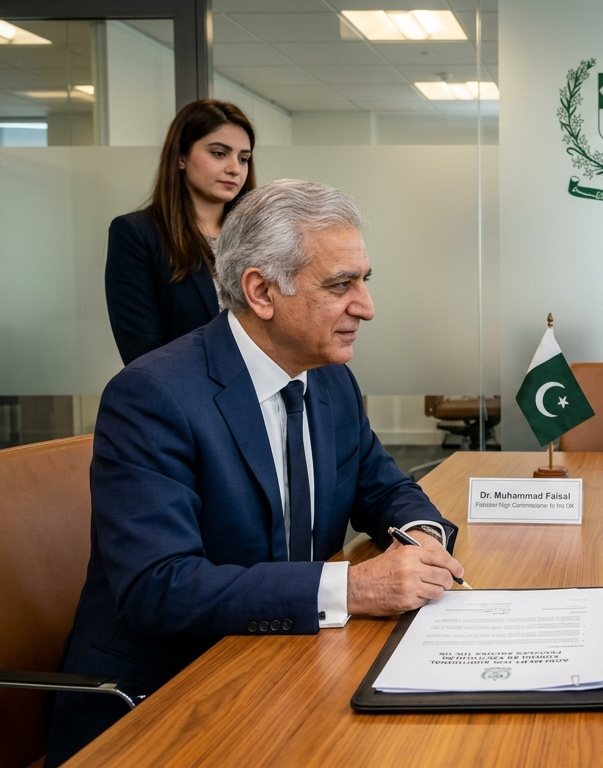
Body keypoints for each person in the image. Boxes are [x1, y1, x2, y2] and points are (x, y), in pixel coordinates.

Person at [46, 180, 464, 765]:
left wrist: (420, 534)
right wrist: (354, 587)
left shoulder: (330, 379)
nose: (366, 306)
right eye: (341, 285)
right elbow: (159, 586)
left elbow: (386, 487)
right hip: (167, 697)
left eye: (365, 280)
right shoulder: (152, 395)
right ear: (261, 291)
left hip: (289, 664)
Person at [105, 99, 257, 365]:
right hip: (185, 396)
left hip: (262, 392)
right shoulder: (138, 234)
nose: (235, 168)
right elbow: (142, 349)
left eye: (243, 158)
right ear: (181, 157)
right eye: (219, 153)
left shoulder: (256, 236)